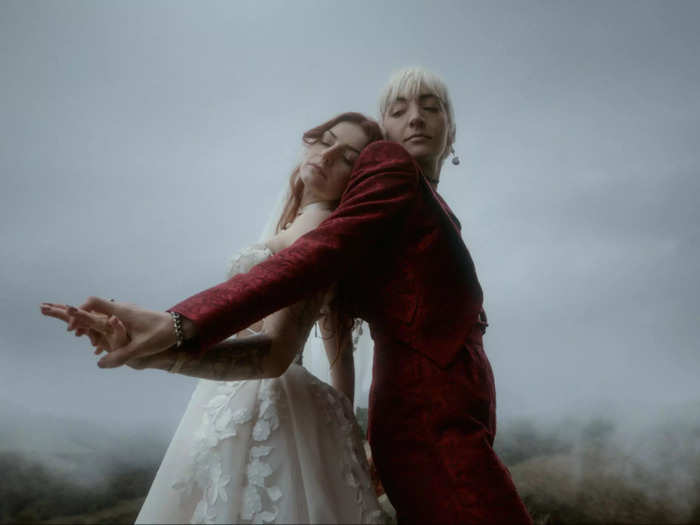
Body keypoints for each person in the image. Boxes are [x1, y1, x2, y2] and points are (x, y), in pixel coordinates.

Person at [44, 67, 532, 523]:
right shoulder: (387, 169)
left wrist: (351, 440)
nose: (416, 118)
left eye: (431, 106)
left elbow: (336, 332)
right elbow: (316, 256)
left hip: (443, 422)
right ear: (383, 135)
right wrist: (179, 324)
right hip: (427, 424)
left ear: (452, 127)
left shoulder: (428, 212)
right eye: (399, 108)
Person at [42, 112, 388, 524]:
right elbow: (339, 347)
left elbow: (278, 353)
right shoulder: (299, 222)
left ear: (355, 181)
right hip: (239, 400)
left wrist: (155, 350)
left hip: (271, 404)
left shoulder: (322, 233)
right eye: (325, 140)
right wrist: (344, 431)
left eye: (347, 157)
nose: (327, 155)